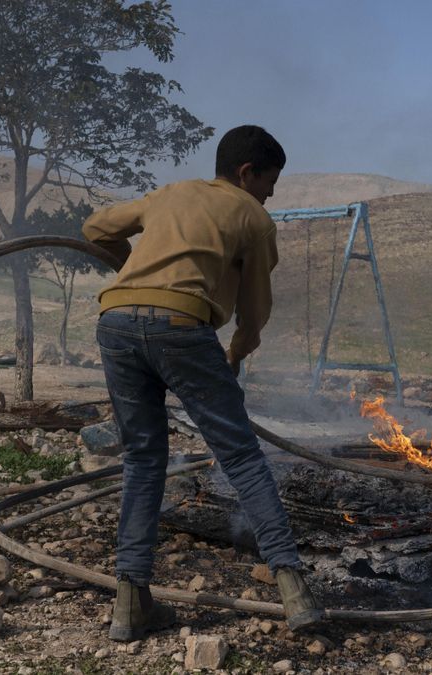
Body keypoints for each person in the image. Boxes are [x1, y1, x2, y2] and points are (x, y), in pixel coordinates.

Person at [82, 125, 322, 642]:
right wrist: (235, 353)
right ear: (246, 173)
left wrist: (142, 273)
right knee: (241, 457)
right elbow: (255, 312)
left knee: (144, 459)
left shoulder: (171, 193)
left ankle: (129, 607)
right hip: (182, 330)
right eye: (269, 183)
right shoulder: (252, 217)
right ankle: (295, 593)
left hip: (115, 322)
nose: (270, 195)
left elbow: (96, 227)